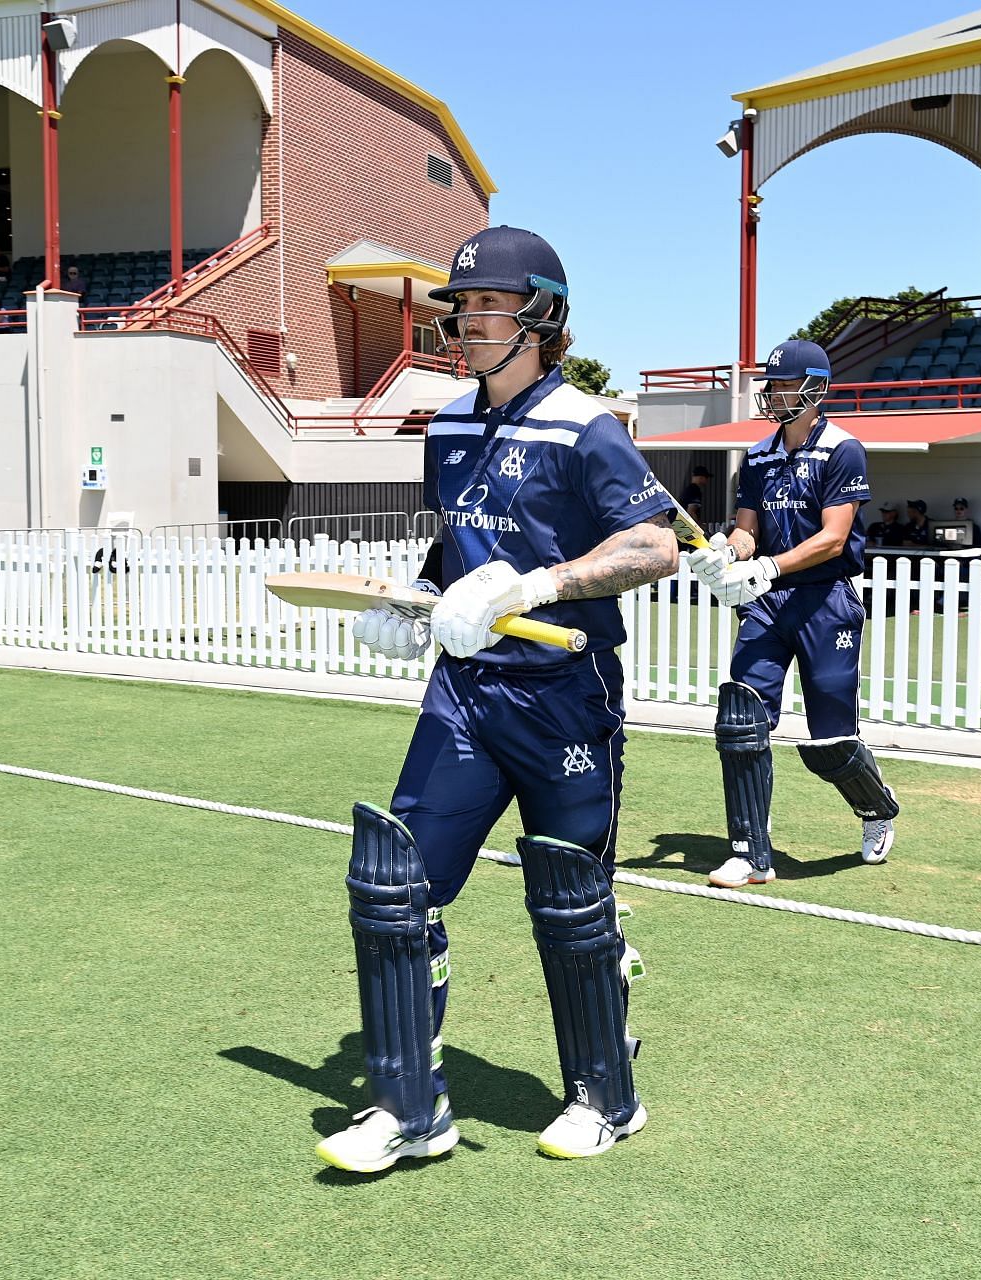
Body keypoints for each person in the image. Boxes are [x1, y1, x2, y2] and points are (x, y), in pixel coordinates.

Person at [316, 225, 678, 1174]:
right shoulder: (446, 425)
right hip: (465, 693)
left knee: (570, 895)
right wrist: (416, 604)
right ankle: (408, 1108)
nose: (467, 322)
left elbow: (653, 548)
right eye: (462, 307)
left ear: (542, 319)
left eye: (487, 307)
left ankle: (607, 1094)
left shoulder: (589, 425)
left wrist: (540, 586)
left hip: (565, 691)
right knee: (396, 887)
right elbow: (457, 550)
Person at [685, 339, 899, 890]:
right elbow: (747, 529)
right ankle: (751, 852)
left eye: (784, 384)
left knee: (831, 745)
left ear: (815, 390)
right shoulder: (757, 454)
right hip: (768, 602)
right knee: (741, 716)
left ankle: (876, 807)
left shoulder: (843, 449)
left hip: (825, 600)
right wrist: (726, 553)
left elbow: (833, 539)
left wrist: (771, 568)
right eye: (772, 383)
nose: (773, 393)